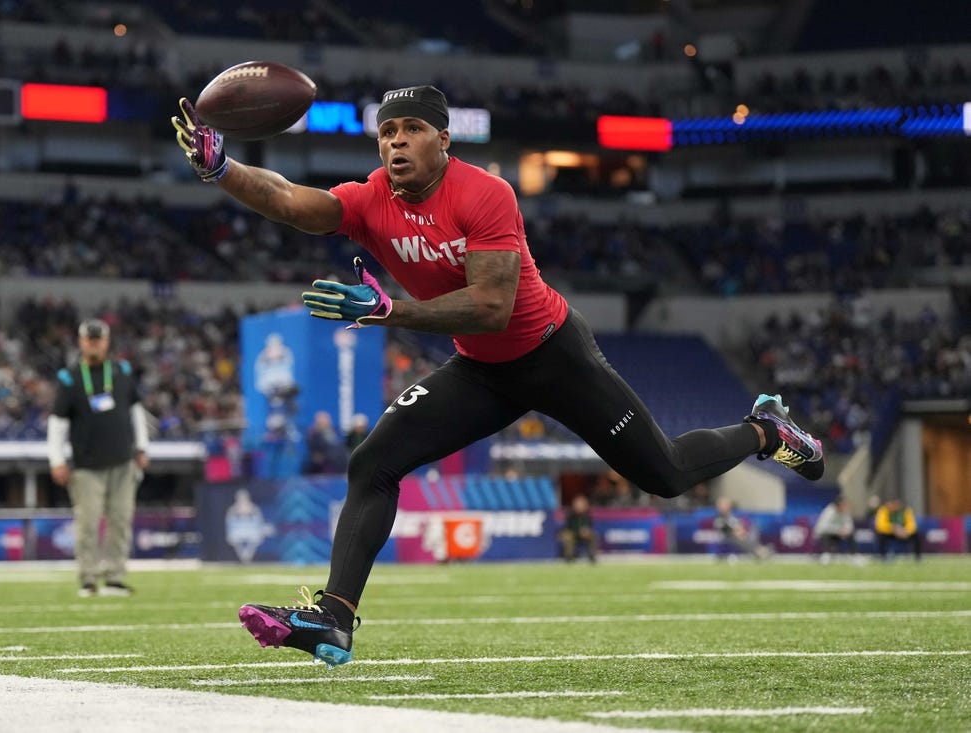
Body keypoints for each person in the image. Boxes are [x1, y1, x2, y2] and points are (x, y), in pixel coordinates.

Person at [171, 85, 825, 667]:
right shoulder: (372, 198)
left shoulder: (485, 192)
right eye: (387, 134)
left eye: (412, 131)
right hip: (483, 369)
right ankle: (334, 618)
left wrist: (389, 309)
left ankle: (764, 431)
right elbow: (288, 200)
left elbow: (492, 306)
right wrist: (221, 168)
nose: (396, 143)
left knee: (668, 473)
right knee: (372, 461)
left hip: (552, 356)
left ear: (444, 140)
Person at [47, 319, 150, 597]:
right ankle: (88, 580)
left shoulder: (121, 371)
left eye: (98, 339)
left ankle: (115, 578)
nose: (93, 343)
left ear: (106, 341)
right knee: (88, 522)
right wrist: (56, 458)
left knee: (120, 520)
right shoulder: (69, 377)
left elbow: (135, 411)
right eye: (89, 339)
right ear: (81, 342)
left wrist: (142, 447)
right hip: (86, 465)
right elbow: (57, 422)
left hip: (122, 460)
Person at [711, 497, 772, 561]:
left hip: (736, 535)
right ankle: (759, 551)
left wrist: (740, 530)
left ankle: (760, 550)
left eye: (727, 505)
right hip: (726, 536)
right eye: (724, 505)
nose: (726, 507)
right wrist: (734, 529)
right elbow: (721, 527)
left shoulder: (731, 516)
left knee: (747, 536)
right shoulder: (718, 517)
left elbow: (738, 525)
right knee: (740, 538)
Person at [812, 495, 856, 563]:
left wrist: (846, 531)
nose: (845, 506)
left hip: (839, 535)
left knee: (851, 534)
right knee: (825, 536)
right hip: (825, 535)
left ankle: (854, 556)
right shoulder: (829, 511)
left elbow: (849, 525)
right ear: (838, 505)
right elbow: (823, 527)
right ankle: (826, 556)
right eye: (843, 504)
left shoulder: (845, 512)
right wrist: (838, 530)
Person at [558, 494, 598, 562]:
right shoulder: (570, 515)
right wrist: (578, 531)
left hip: (584, 535)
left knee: (593, 535)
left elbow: (590, 526)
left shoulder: (587, 515)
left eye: (582, 504)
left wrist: (586, 531)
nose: (580, 506)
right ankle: (569, 557)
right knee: (567, 536)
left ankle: (592, 556)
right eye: (578, 504)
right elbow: (568, 527)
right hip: (571, 533)